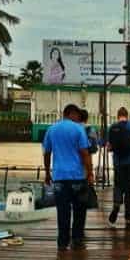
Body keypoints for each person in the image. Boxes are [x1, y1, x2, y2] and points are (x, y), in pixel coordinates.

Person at [42, 104, 93, 250]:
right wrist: (90, 173)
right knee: (79, 209)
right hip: (77, 176)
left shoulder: (52, 129)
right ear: (72, 114)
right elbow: (85, 153)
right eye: (77, 115)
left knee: (62, 211)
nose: (78, 118)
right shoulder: (79, 129)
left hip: (59, 178)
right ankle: (77, 240)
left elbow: (47, 153)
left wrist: (47, 173)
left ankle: (62, 242)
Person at [107, 106, 130, 228]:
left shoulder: (112, 127)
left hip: (118, 164)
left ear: (117, 115)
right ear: (127, 115)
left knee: (118, 186)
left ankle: (116, 204)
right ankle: (128, 218)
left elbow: (109, 147)